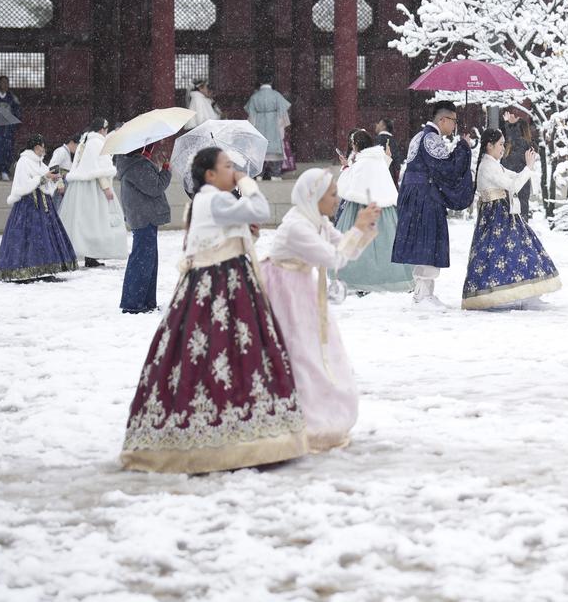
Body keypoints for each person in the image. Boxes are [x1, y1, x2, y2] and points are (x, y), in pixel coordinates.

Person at [121, 147, 308, 473]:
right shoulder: (215, 198)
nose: (232, 170)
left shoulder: (203, 201)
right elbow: (261, 209)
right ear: (209, 175)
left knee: (202, 352)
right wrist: (247, 183)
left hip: (210, 281)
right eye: (226, 166)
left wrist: (240, 228)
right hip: (222, 283)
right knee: (229, 349)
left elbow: (227, 229)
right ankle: (232, 436)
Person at [261, 168, 380, 452]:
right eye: (333, 194)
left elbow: (345, 250)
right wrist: (358, 227)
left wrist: (363, 228)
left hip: (299, 287)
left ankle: (317, 413)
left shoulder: (317, 221)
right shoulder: (297, 226)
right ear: (314, 197)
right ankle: (298, 419)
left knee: (311, 350)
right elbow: (333, 258)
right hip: (281, 290)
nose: (337, 200)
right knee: (297, 353)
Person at [460, 128, 561, 310]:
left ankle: (527, 293)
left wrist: (528, 169)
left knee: (516, 249)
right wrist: (528, 168)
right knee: (505, 252)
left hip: (501, 213)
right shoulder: (488, 165)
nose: (503, 147)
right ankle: (498, 295)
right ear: (489, 146)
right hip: (496, 217)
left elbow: (512, 176)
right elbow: (513, 185)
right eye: (500, 144)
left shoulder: (492, 163)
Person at [392, 101, 476, 308]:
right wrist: (463, 146)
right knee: (427, 241)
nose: (455, 126)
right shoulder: (431, 138)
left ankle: (424, 293)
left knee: (423, 242)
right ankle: (422, 295)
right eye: (454, 121)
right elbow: (447, 168)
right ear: (443, 120)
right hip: (425, 197)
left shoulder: (419, 136)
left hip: (415, 195)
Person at [335, 129, 414, 293]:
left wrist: (345, 168)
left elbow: (349, 185)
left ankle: (361, 279)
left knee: (361, 245)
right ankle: (391, 277)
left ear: (356, 145)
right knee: (388, 243)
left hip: (362, 208)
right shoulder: (377, 159)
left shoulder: (362, 163)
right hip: (384, 208)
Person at [0, 134, 78, 282]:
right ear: (36, 146)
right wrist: (43, 178)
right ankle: (23, 269)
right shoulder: (24, 161)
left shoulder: (39, 163)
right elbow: (23, 184)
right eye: (42, 146)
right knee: (28, 236)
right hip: (28, 204)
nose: (44, 149)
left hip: (43, 203)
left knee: (44, 236)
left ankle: (46, 267)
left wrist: (53, 178)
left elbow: (45, 178)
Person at [59, 118, 128, 268]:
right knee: (95, 221)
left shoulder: (85, 141)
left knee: (82, 221)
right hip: (93, 187)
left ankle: (82, 254)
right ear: (102, 129)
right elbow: (98, 168)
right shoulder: (96, 143)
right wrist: (106, 188)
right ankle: (91, 254)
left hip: (81, 186)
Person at [115, 144, 173, 314]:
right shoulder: (137, 166)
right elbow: (155, 187)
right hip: (145, 217)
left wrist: (146, 156)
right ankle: (134, 303)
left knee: (147, 260)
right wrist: (166, 169)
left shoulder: (130, 163)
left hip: (142, 216)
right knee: (143, 261)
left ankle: (146, 301)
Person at [244, 80, 293, 180]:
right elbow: (282, 114)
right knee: (275, 151)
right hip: (274, 124)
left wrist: (252, 127)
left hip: (259, 124)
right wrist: (281, 126)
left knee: (259, 151)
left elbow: (251, 117)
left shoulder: (254, 97)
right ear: (271, 83)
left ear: (260, 84)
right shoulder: (277, 95)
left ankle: (259, 175)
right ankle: (275, 174)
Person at [500, 105, 537, 220]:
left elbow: (515, 139)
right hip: (517, 187)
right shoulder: (519, 145)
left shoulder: (522, 145)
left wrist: (509, 124)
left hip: (516, 186)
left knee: (516, 218)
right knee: (519, 217)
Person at [47, 134, 80, 209]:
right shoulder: (61, 151)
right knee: (57, 208)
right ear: (72, 142)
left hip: (65, 183)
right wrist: (60, 184)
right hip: (59, 185)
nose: (77, 149)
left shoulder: (67, 153)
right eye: (77, 145)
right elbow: (53, 166)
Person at [374, 118, 403, 186]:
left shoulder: (377, 140)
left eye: (379, 123)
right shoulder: (394, 141)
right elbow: (397, 163)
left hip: (378, 177)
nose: (376, 125)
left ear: (384, 126)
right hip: (391, 177)